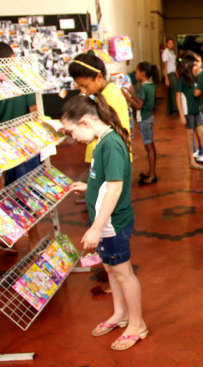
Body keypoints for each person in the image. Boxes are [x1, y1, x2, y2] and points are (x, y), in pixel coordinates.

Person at [62, 95, 147, 351]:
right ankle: (120, 314)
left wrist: (96, 227)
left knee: (123, 272)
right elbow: (106, 182)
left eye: (71, 131)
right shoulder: (102, 141)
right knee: (111, 270)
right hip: (107, 220)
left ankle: (137, 324)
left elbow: (115, 187)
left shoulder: (110, 144)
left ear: (86, 122)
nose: (73, 137)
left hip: (112, 222)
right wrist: (88, 187)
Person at [0, 41, 39, 186]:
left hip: (2, 139)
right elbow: (34, 112)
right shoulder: (25, 80)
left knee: (9, 182)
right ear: (12, 57)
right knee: (28, 181)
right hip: (25, 138)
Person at [68, 53, 131, 167]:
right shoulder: (104, 93)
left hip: (110, 158)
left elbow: (108, 131)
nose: (83, 91)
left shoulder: (109, 95)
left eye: (85, 86)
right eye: (79, 86)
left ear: (99, 77)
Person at [122, 62, 159, 185]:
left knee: (149, 147)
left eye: (137, 72)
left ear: (142, 73)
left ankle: (152, 175)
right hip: (149, 117)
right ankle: (151, 172)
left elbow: (138, 105)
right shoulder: (149, 85)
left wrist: (126, 96)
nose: (135, 74)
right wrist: (131, 93)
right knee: (150, 146)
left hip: (144, 119)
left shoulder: (143, 87)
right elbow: (140, 98)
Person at [174, 53, 203, 170]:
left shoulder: (195, 77)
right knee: (189, 135)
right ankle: (191, 161)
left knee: (202, 134)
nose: (196, 65)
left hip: (196, 109)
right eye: (194, 63)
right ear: (188, 64)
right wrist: (181, 115)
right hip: (188, 110)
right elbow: (178, 97)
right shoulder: (181, 79)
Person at [161, 38, 178, 115]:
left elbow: (173, 65)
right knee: (174, 91)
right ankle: (174, 109)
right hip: (169, 74)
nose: (171, 44)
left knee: (170, 91)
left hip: (173, 72)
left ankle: (169, 109)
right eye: (169, 43)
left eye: (172, 43)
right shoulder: (165, 52)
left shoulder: (171, 52)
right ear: (166, 44)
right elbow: (165, 66)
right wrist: (166, 78)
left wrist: (176, 74)